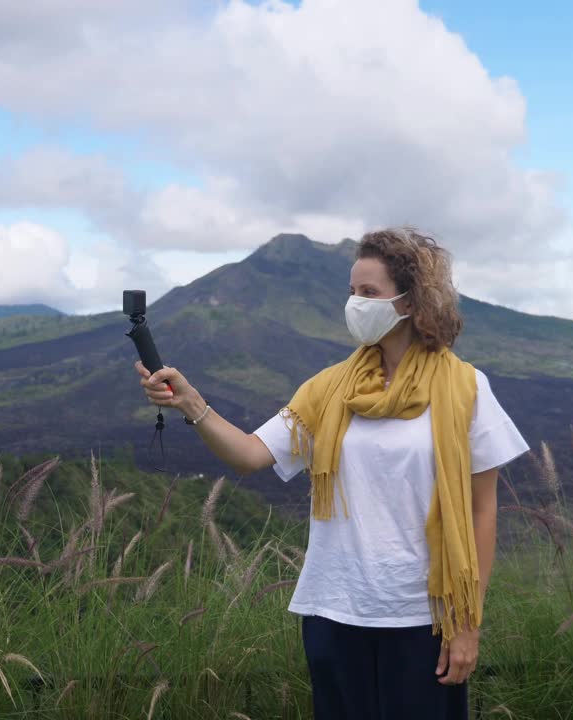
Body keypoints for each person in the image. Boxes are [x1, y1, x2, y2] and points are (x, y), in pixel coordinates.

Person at [134, 227, 530, 719]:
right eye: (351, 292)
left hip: (425, 619)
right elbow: (251, 455)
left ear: (409, 302)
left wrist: (468, 624)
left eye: (369, 293)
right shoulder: (330, 389)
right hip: (335, 612)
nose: (356, 304)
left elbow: (481, 508)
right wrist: (192, 404)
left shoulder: (466, 388)